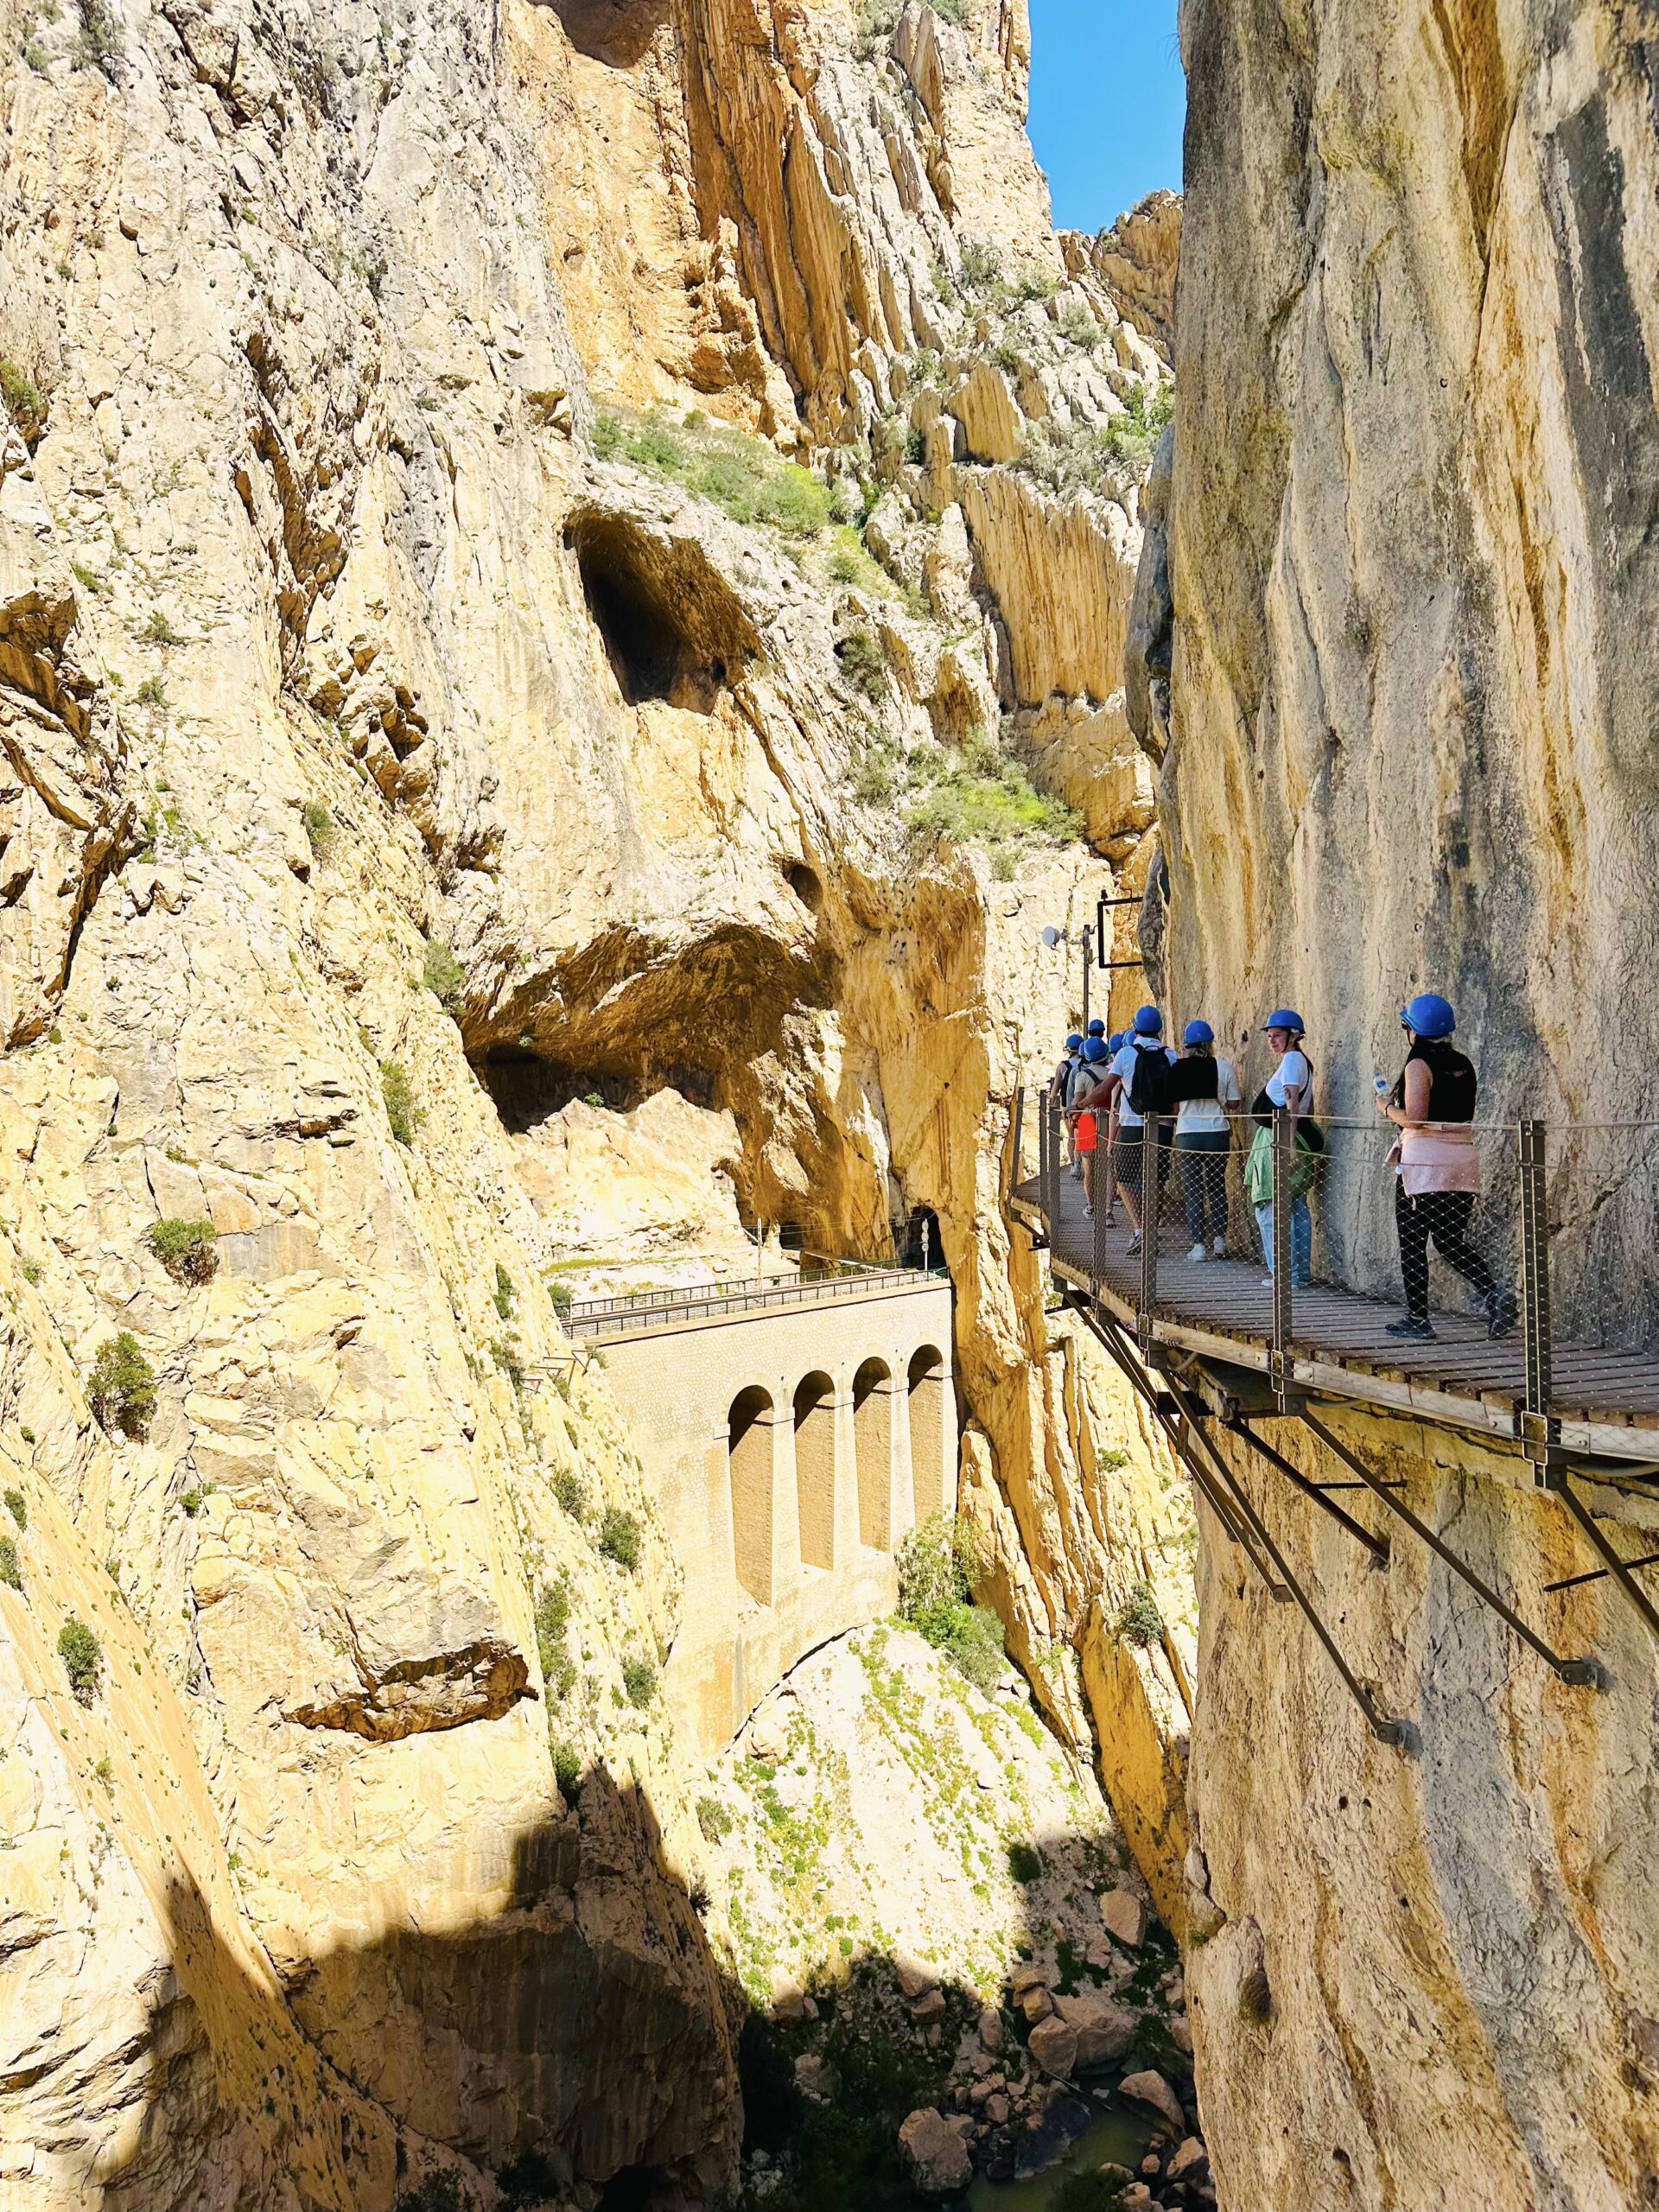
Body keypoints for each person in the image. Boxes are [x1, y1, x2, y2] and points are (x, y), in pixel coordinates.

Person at [1377, 993, 1517, 1341]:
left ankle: (1418, 1319)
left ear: (1414, 1031)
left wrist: (1385, 1108)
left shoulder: (1418, 1065)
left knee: (1412, 1242)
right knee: (1449, 1240)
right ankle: (1493, 1294)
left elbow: (1417, 1120)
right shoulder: (1463, 1063)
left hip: (1425, 1164)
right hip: (1461, 1160)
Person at [1084, 1006, 1177, 1255]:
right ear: (1159, 1029)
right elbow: (1175, 1096)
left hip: (1132, 1127)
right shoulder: (1171, 1055)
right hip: (1162, 1126)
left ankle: (1140, 1230)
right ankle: (1150, 1231)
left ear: (1135, 1028)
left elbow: (1106, 1089)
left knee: (1124, 1179)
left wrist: (1080, 1104)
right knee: (1157, 1180)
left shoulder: (1125, 1054)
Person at [1249, 1008, 1315, 1284]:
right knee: (1295, 1206)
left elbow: (1291, 1103)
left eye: (1278, 1036)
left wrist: (1288, 1148)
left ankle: (1284, 1275)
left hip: (1278, 1138)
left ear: (1294, 1036)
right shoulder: (1303, 1061)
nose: (1272, 1041)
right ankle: (1299, 1273)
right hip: (1296, 1136)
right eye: (1270, 1036)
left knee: (1269, 1207)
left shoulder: (1291, 1061)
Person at [1173, 1020, 1241, 1261]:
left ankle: (1199, 1246)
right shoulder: (1223, 1067)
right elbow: (1234, 1103)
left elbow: (1172, 1105)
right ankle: (1220, 1240)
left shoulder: (1177, 1068)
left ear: (1187, 1046)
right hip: (1217, 1134)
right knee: (1216, 1185)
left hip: (1188, 1133)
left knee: (1194, 1190)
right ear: (1210, 1044)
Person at [1070, 1036, 1111, 1214]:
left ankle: (1091, 1205)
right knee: (1109, 1168)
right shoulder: (1112, 1073)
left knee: (1089, 1169)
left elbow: (1078, 1103)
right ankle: (1108, 1209)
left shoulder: (1082, 1076)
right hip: (1109, 1120)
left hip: (1087, 1122)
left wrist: (1073, 1119)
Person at [1053, 1032, 1084, 1171]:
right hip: (1084, 1105)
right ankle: (1084, 1163)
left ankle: (1074, 1165)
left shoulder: (1062, 1066)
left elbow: (1056, 1089)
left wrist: (1053, 1102)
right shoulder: (1087, 1064)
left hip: (1067, 1107)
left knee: (1072, 1136)